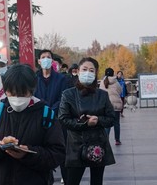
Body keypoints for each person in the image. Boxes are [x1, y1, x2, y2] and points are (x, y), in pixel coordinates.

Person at [0, 64, 67, 184]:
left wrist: (28, 154)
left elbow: (57, 153)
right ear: (6, 90)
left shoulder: (46, 114)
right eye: (12, 93)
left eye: (22, 93)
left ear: (32, 90)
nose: (17, 98)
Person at [58, 57, 116, 185]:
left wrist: (98, 120)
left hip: (98, 144)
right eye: (84, 69)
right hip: (76, 145)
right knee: (72, 181)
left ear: (95, 74)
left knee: (97, 181)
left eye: (91, 70)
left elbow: (111, 118)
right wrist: (84, 123)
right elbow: (63, 118)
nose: (87, 73)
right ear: (78, 71)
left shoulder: (102, 95)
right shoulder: (68, 94)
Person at [34, 49, 73, 183]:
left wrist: (51, 110)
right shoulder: (34, 78)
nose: (46, 59)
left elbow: (64, 97)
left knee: (62, 154)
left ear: (52, 60)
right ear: (39, 61)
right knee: (42, 155)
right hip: (38, 121)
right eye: (43, 57)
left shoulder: (62, 79)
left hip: (58, 121)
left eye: (48, 57)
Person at [98, 68, 123, 145]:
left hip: (106, 106)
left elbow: (100, 92)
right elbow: (120, 91)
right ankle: (117, 140)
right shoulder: (116, 82)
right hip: (115, 105)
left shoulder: (102, 82)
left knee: (107, 124)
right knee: (116, 123)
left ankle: (106, 139)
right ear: (113, 74)